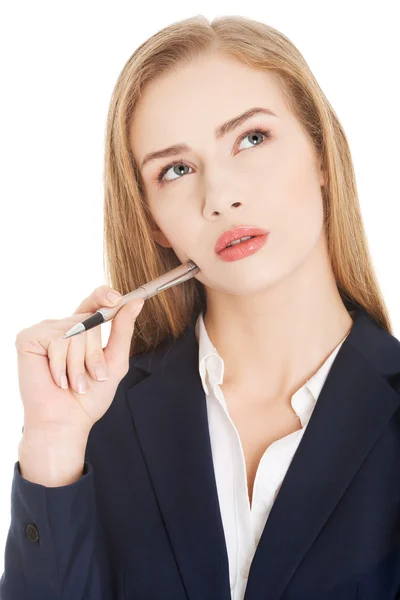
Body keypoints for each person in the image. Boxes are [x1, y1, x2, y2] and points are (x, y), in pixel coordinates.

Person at [2, 14, 400, 600]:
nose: (220, 197)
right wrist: (54, 445)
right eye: (177, 170)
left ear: (321, 153)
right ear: (155, 223)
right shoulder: (100, 426)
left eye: (252, 138)